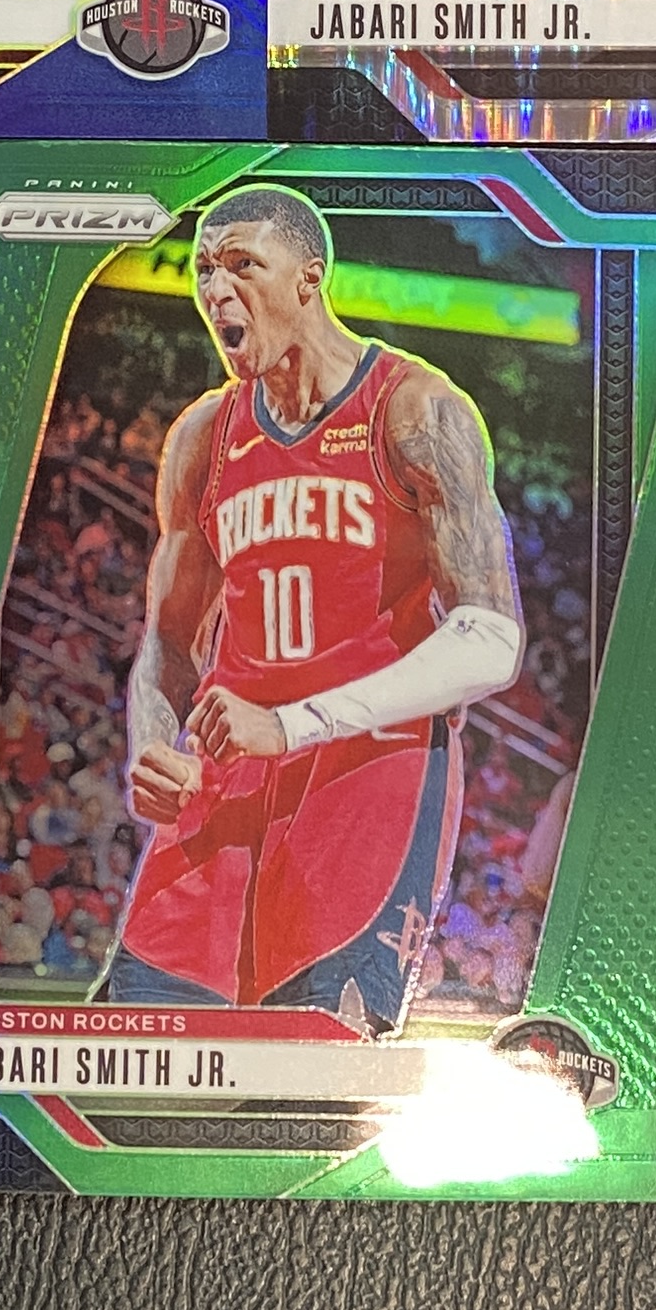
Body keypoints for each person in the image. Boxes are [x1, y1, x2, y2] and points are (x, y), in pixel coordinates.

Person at [95, 187, 524, 1032]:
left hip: (371, 769)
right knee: (139, 1049)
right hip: (229, 764)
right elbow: (168, 643)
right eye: (204, 270)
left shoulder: (415, 409)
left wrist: (292, 724)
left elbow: (490, 637)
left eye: (242, 265)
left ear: (308, 279)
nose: (216, 289)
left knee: (312, 1061)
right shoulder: (203, 437)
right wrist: (151, 745)